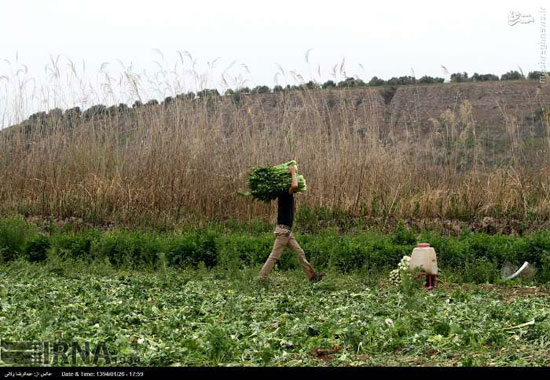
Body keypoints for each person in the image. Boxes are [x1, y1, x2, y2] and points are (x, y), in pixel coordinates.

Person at [258, 163, 326, 282]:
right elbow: (294, 186)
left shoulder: (284, 192)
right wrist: (293, 172)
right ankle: (261, 279)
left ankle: (312, 276)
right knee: (274, 256)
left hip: (287, 231)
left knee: (300, 253)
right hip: (283, 231)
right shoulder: (284, 192)